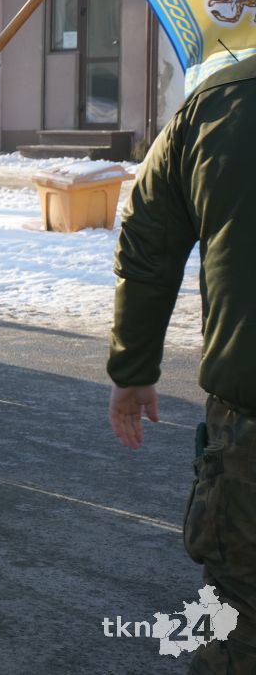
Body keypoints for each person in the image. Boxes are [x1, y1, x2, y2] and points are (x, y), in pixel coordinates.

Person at [108, 55, 256, 673]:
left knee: (241, 616)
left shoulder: (217, 104)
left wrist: (133, 368)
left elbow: (147, 242)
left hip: (248, 414)